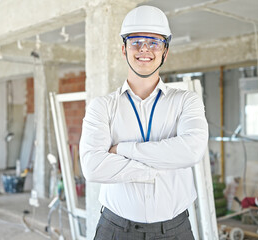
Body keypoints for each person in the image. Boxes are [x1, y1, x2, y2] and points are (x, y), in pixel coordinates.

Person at [79, 5, 208, 240]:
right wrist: (153, 168)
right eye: (136, 41)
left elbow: (191, 151)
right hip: (115, 229)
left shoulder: (186, 102)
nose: (144, 49)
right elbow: (92, 166)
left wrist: (122, 150)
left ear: (165, 52)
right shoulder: (103, 106)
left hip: (174, 231)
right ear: (123, 49)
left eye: (154, 42)